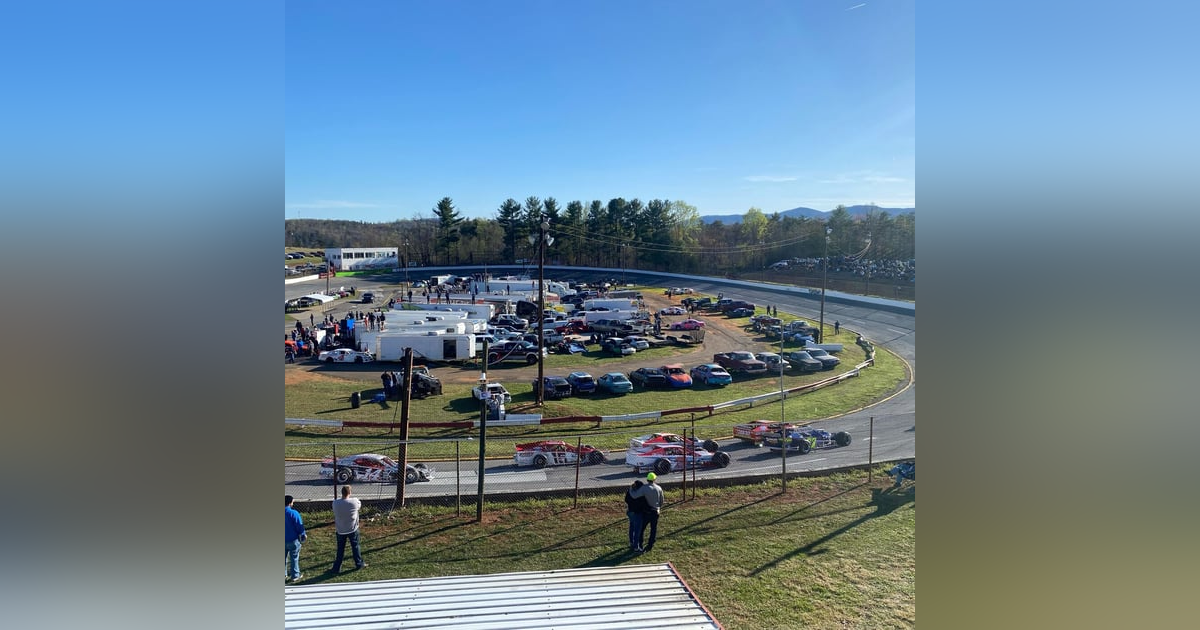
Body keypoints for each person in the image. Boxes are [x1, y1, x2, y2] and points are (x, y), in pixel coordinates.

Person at [331, 485, 367, 572]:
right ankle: (358, 563)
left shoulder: (335, 503)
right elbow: (359, 504)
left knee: (340, 549)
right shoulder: (354, 502)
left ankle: (337, 567)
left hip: (340, 529)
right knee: (355, 546)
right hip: (352, 528)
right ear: (349, 493)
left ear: (342, 493)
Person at [631, 472, 665, 552]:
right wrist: (658, 507)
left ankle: (640, 544)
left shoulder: (644, 488)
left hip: (646, 512)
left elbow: (635, 496)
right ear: (654, 479)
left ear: (647, 479)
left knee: (641, 529)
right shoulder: (659, 488)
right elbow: (662, 500)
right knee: (653, 529)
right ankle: (650, 544)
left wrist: (631, 489)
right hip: (656, 512)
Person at [285, 495, 307, 582]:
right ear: (290, 503)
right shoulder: (294, 513)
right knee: (294, 557)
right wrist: (303, 534)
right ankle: (295, 575)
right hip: (293, 539)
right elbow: (299, 526)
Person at [624, 480, 648, 552]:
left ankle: (631, 542)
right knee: (638, 530)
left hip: (630, 511)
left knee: (632, 527)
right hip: (637, 513)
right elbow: (643, 503)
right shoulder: (640, 494)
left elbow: (626, 499)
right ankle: (636, 546)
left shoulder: (630, 491)